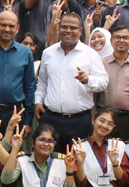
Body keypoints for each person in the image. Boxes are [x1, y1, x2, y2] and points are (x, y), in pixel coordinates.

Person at [35, 13, 108, 152]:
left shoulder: (90, 54)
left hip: (79, 121)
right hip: (50, 119)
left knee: (76, 164)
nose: (68, 31)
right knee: (50, 163)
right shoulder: (48, 53)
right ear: (59, 28)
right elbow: (43, 81)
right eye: (64, 27)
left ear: (80, 30)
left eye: (73, 28)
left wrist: (88, 80)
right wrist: (38, 101)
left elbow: (103, 82)